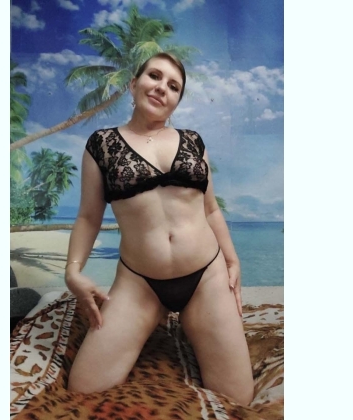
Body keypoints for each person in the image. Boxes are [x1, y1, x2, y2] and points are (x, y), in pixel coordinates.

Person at [65, 52, 254, 405]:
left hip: (206, 277)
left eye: (173, 86)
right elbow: (89, 217)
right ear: (133, 83)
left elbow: (211, 209)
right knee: (84, 387)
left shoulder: (193, 141)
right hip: (139, 283)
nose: (162, 87)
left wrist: (233, 260)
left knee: (238, 398)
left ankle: (196, 327)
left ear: (177, 101)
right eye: (154, 76)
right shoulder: (101, 144)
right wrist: (73, 271)